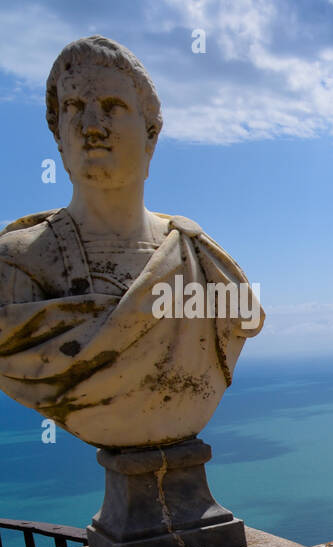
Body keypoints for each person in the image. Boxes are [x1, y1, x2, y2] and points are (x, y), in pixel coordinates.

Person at [0, 36, 264, 450]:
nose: (91, 126)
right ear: (57, 136)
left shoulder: (204, 262)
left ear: (151, 135)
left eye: (112, 107)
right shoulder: (15, 268)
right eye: (73, 108)